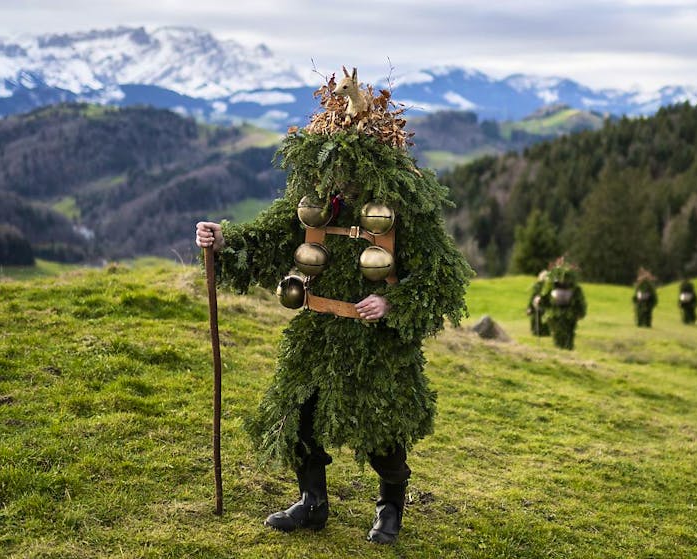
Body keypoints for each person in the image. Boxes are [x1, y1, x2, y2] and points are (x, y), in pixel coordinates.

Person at [196, 70, 471, 545]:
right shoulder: (316, 203)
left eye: (351, 162)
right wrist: (224, 241)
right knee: (298, 412)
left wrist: (391, 302)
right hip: (317, 332)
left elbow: (442, 278)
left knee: (381, 428)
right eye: (335, 161)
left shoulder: (404, 208)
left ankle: (389, 508)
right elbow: (269, 238)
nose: (340, 173)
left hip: (374, 342)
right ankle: (312, 503)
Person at [538, 257, 586, 349]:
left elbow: (545, 299)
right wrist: (581, 312)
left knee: (561, 335)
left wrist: (539, 301)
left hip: (558, 316)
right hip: (566, 316)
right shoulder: (574, 288)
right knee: (567, 334)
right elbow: (580, 302)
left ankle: (563, 351)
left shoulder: (551, 285)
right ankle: (566, 351)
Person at [526, 270, 551, 337]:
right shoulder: (540, 285)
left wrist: (530, 307)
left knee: (539, 319)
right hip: (539, 305)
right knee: (537, 319)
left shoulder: (544, 286)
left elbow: (533, 296)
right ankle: (540, 331)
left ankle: (539, 331)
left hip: (542, 306)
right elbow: (533, 296)